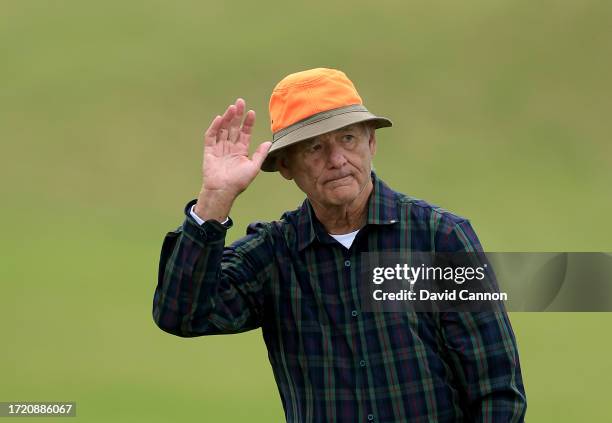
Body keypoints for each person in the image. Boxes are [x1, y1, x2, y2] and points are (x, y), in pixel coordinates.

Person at [152, 68, 527, 422]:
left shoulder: (440, 237)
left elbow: (496, 388)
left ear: (371, 142)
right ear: (285, 165)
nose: (337, 160)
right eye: (314, 148)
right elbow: (181, 314)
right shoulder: (274, 253)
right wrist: (214, 200)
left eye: (347, 139)